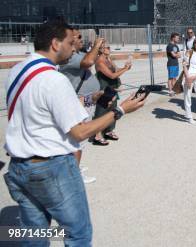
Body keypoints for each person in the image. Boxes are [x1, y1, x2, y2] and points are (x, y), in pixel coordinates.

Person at [4, 20, 146, 245]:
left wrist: (89, 99)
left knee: (33, 235)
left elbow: (39, 113)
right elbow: (80, 132)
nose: (74, 48)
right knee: (77, 233)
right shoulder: (54, 79)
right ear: (55, 43)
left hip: (20, 167)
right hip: (50, 167)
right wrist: (120, 110)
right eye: (71, 42)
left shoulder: (18, 70)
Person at [59, 30, 105, 184]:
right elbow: (88, 62)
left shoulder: (77, 55)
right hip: (79, 103)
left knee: (79, 141)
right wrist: (97, 44)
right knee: (78, 140)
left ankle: (75, 167)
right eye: (78, 37)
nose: (81, 39)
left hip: (86, 101)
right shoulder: (70, 58)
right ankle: (75, 174)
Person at [91, 43, 132, 146]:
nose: (109, 49)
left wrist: (126, 66)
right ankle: (97, 135)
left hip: (112, 88)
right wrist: (125, 69)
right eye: (107, 47)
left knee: (112, 109)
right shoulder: (99, 61)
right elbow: (112, 75)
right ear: (101, 49)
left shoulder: (108, 59)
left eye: (109, 47)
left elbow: (116, 70)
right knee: (101, 111)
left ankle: (109, 131)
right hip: (104, 89)